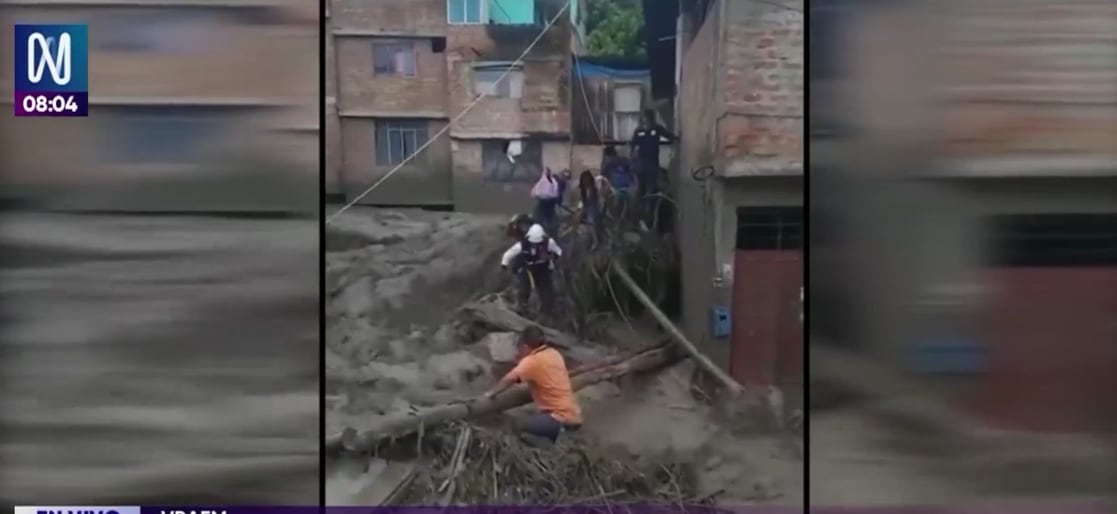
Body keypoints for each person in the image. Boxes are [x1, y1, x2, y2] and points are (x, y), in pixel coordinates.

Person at [484, 325, 583, 444]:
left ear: (526, 347)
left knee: (516, 426)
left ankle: (550, 442)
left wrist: (491, 393)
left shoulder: (532, 361)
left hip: (558, 419)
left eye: (520, 348)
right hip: (575, 417)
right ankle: (554, 436)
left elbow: (509, 378)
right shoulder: (554, 353)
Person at [500, 223, 562, 315]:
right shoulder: (522, 244)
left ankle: (546, 310)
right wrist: (504, 263)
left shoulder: (549, 242)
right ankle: (522, 306)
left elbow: (558, 251)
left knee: (546, 290)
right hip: (527, 268)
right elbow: (509, 253)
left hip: (542, 269)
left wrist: (554, 257)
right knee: (524, 287)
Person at [628, 109, 676, 220]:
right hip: (641, 163)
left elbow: (669, 136)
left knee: (651, 190)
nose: (647, 120)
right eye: (645, 118)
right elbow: (632, 146)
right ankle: (638, 215)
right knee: (641, 189)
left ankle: (649, 216)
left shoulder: (657, 128)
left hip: (652, 164)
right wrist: (632, 162)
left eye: (648, 118)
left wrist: (675, 139)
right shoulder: (638, 131)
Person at [601, 145, 635, 217]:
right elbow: (632, 175)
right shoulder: (625, 160)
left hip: (616, 188)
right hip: (628, 188)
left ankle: (605, 212)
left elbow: (604, 178)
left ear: (607, 156)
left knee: (604, 193)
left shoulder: (608, 164)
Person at [531, 167, 561, 232]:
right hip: (550, 201)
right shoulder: (553, 181)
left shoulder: (544, 181)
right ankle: (548, 226)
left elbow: (536, 192)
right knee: (549, 215)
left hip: (545, 202)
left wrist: (538, 196)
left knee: (541, 215)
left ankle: (542, 226)